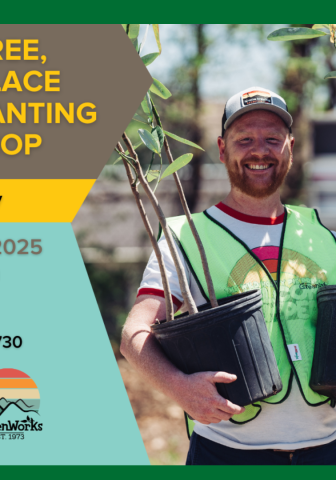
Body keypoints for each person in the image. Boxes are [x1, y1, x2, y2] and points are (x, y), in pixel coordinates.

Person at [120, 87, 336, 465]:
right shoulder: (185, 236)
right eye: (244, 139)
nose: (260, 150)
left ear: (289, 146)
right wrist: (180, 388)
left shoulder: (322, 234)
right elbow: (133, 335)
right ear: (222, 150)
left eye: (272, 139)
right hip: (227, 455)